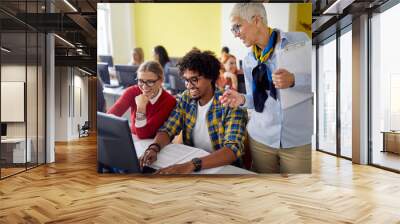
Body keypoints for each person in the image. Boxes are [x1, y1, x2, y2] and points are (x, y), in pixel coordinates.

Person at [220, 3, 312, 173]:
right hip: (261, 139)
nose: (235, 34)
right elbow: (256, 100)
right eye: (233, 30)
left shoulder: (299, 42)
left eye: (237, 27)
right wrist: (241, 99)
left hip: (297, 141)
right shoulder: (249, 61)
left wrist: (294, 80)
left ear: (256, 20)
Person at [139, 50, 248, 174]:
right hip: (194, 167)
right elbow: (168, 129)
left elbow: (232, 150)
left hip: (223, 169)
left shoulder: (230, 103)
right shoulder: (186, 98)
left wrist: (191, 165)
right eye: (186, 80)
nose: (189, 86)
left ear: (210, 78)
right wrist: (154, 148)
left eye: (194, 79)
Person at [107, 61, 176, 139]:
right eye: (140, 81)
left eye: (150, 82)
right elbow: (109, 117)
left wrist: (141, 108)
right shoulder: (132, 91)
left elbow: (143, 134)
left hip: (153, 143)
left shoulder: (169, 101)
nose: (144, 87)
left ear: (161, 81)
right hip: (135, 139)